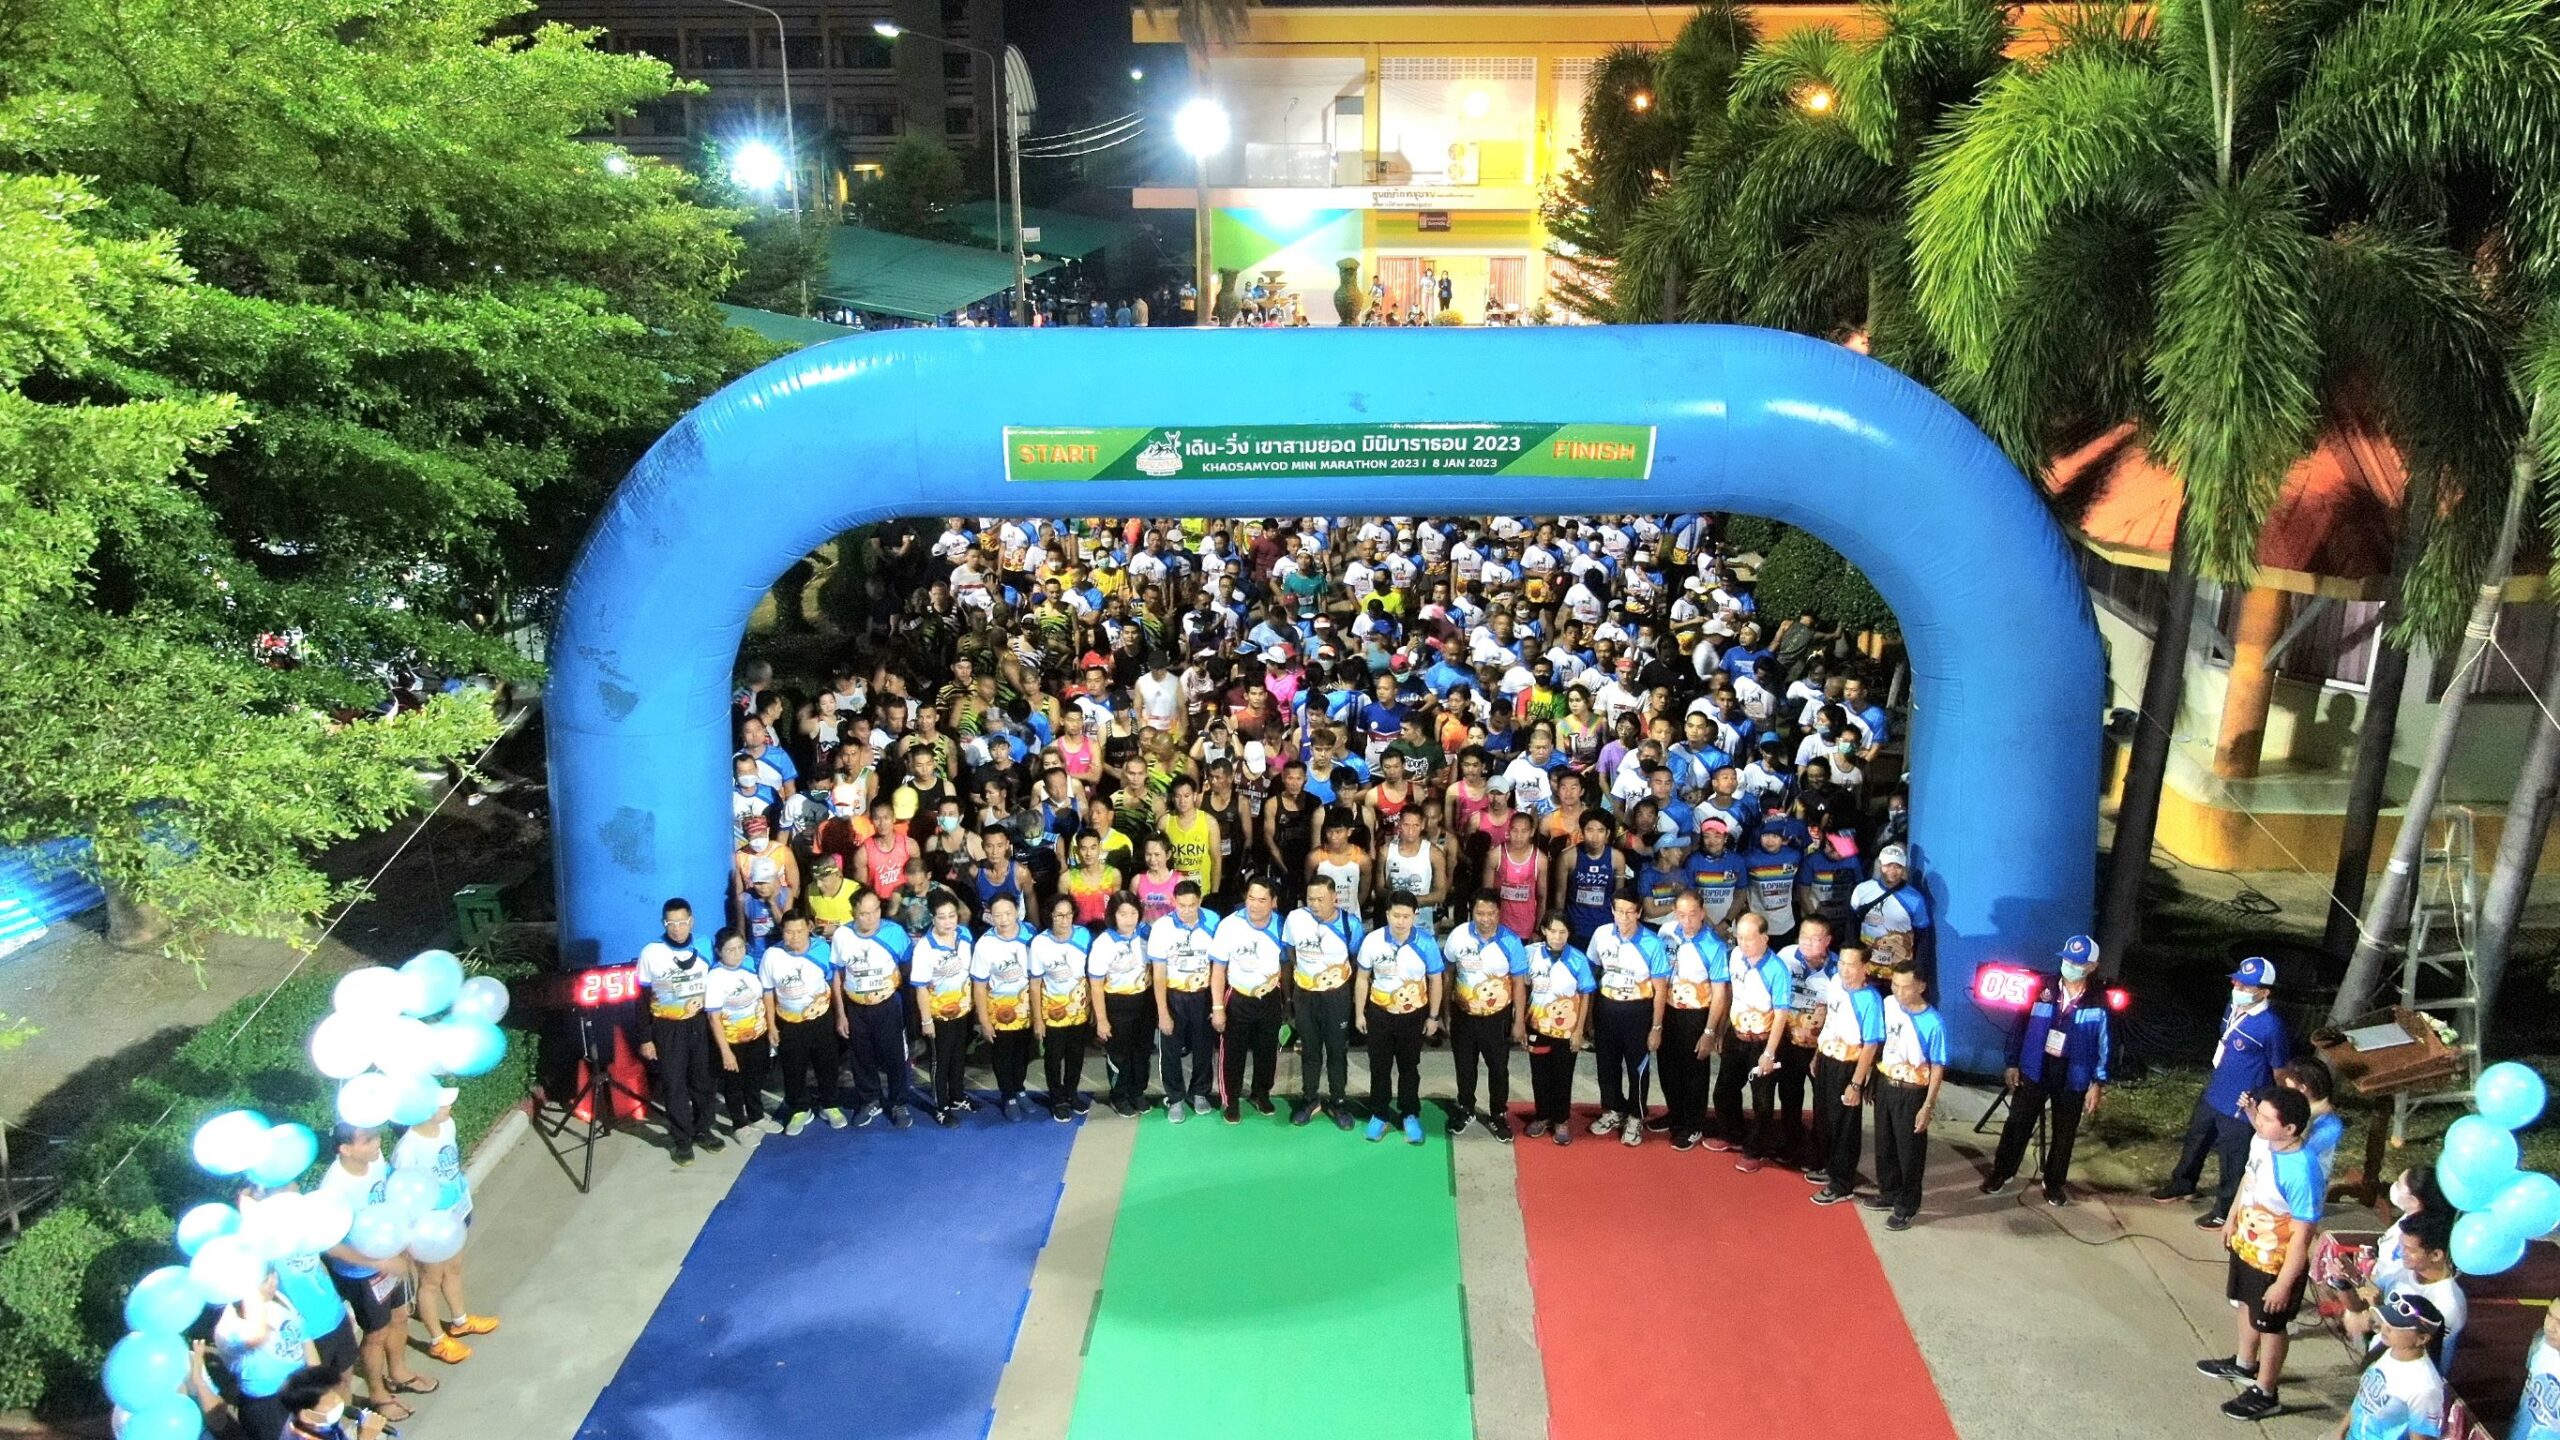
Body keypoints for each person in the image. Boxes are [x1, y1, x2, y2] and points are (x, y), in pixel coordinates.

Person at [2196, 1086, 2323, 1422]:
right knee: (2244, 1304)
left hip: (2275, 1262)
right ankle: (2244, 1364)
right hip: (2247, 1246)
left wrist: (2283, 1284)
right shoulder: (2263, 1142)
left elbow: (2302, 1237)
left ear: (2290, 1128)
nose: (2257, 1121)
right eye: (2258, 1115)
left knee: (2270, 1326)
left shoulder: (2302, 1171)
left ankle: (2266, 1392)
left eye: (2266, 1118)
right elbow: (2248, 1179)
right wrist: (2231, 1218)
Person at [2155, 956, 2290, 1228]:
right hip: (2216, 1090)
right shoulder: (2233, 1006)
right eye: (2237, 982)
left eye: (2246, 985)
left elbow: (2280, 1070)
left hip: (2242, 1103)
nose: (2238, 988)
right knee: (2196, 1139)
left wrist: (2270, 1105)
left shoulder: (2272, 1027)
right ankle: (2183, 1183)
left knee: (2232, 1158)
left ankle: (2224, 1209)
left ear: (2264, 992)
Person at [1984, 934, 2112, 1206]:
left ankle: (2053, 1183)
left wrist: (2098, 1082)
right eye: (2067, 960)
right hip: (2035, 1066)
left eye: (2077, 963)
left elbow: (2106, 1044)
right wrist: (2012, 1062)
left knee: (2064, 1133)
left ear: (2092, 966)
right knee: (2017, 1123)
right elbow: (2019, 1026)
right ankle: (2002, 1172)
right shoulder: (2042, 988)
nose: (2069, 966)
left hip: (2074, 1073)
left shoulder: (2099, 1001)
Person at [312, 1125, 431, 1417]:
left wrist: (401, 1240)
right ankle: (378, 1395)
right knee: (376, 1333)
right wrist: (378, 1263)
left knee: (400, 1315)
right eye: (368, 1140)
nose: (377, 1143)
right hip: (361, 1273)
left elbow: (391, 1197)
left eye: (376, 1136)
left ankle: (399, 1372)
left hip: (390, 1255)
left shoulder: (375, 1160)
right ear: (345, 1149)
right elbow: (330, 1246)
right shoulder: (334, 1190)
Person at [391, 1092, 497, 1361]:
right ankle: (437, 1340)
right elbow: (400, 1194)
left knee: (454, 1269)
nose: (449, 1105)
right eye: (442, 1103)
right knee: (430, 1282)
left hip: (457, 1212)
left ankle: (460, 1321)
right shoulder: (407, 1150)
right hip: (429, 1226)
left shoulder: (448, 1125)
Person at [634, 897, 723, 1167]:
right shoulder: (651, 952)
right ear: (663, 923)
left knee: (704, 1080)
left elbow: (719, 983)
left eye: (682, 922)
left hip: (700, 1023)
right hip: (667, 1027)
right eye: (670, 923)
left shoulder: (705, 945)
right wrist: (646, 1038)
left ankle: (703, 1130)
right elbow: (641, 999)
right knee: (674, 1084)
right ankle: (682, 1140)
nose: (677, 929)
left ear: (691, 921)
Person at [1355, 890, 1444, 1144]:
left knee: (1409, 1067)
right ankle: (1379, 1114)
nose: (1401, 921)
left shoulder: (1426, 943)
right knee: (1379, 1067)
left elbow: (1436, 980)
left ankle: (1410, 1114)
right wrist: (1360, 1013)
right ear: (1387, 914)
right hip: (1379, 1015)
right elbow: (1362, 978)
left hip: (1413, 1016)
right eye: (1396, 915)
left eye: (1406, 916)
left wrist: (1433, 1016)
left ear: (1415, 916)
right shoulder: (1372, 941)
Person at [1584, 892, 1670, 1146]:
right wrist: (1588, 1016)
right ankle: (1613, 1109)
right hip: (1606, 1009)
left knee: (1637, 1067)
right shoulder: (1601, 934)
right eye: (1619, 911)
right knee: (1606, 1064)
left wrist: (1656, 1027)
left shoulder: (1652, 943)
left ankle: (1635, 1115)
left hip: (1638, 1012)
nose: (1624, 917)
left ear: (1639, 913)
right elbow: (1590, 973)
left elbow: (1661, 989)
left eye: (1630, 912)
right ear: (1612, 910)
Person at [1441, 890, 1528, 1141]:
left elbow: (1519, 983)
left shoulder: (1511, 941)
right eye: (1480, 913)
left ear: (1499, 913)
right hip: (1464, 1016)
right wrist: (1446, 1011)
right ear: (1471, 912)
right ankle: (1466, 1107)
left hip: (1497, 1018)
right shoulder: (1458, 936)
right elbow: (1448, 974)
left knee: (1498, 1068)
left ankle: (1498, 1113)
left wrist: (1519, 1020)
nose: (1486, 919)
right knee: (1464, 1066)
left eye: (1491, 914)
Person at [1282, 873, 1364, 1128]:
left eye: (1320, 899)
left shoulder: (1350, 924)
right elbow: (1290, 953)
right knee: (1310, 1050)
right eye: (1310, 899)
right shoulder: (1295, 919)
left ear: (1335, 898)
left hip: (1337, 997)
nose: (1314, 904)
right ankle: (1310, 1100)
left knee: (1337, 1052)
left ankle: (1338, 1102)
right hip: (1305, 995)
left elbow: (1355, 960)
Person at [1866, 968, 1945, 1232]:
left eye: (1905, 986)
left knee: (1909, 1153)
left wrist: (1927, 1106)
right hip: (1886, 1085)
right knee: (1884, 1145)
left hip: (1912, 1093)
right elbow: (1883, 1042)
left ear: (1921, 986)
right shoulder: (1889, 1004)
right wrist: (1873, 1078)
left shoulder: (1933, 1022)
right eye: (1895, 985)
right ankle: (1889, 1193)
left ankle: (1907, 1206)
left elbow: (1937, 1066)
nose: (1898, 992)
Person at [1711, 914, 1792, 1168]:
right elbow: (1731, 994)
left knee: (1762, 1101)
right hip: (1737, 1035)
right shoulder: (1735, 955)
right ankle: (1732, 1135)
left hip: (1763, 1041)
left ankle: (1756, 1149)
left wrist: (1769, 1053)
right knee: (1724, 1090)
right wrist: (1721, 1029)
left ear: (1765, 938)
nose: (1743, 943)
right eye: (1740, 937)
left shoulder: (1777, 969)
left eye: (1749, 938)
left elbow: (1781, 1014)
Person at [1808, 946, 1886, 1205]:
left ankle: (1842, 1184)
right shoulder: (1835, 983)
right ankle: (1830, 1166)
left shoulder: (1870, 1000)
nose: (1844, 969)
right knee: (1825, 1117)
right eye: (1841, 963)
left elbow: (1871, 1044)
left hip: (1849, 1066)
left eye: (1851, 965)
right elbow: (1830, 1020)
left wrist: (1856, 1083)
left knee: (1845, 1126)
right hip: (1827, 1059)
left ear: (1865, 967)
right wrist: (1817, 1054)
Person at [833, 888, 916, 1128]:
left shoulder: (895, 933)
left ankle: (899, 1102)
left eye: (875, 911)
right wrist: (840, 1014)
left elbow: (907, 966)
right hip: (856, 1008)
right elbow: (837, 975)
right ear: (853, 913)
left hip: (888, 1006)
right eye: (864, 914)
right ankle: (870, 1100)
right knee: (861, 1057)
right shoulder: (842, 935)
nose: (871, 918)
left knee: (895, 1056)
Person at [1210, 877, 1290, 1122]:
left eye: (1261, 900)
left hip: (1270, 998)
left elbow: (1286, 965)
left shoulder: (1282, 926)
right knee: (1233, 1054)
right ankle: (1231, 1100)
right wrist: (1218, 1008)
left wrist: (1287, 1000)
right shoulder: (1228, 925)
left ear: (1273, 902)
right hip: (1238, 998)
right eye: (1250, 898)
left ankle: (1261, 1094)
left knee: (1267, 1052)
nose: (1254, 905)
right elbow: (1218, 969)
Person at [1656, 890, 1729, 1150]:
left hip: (1696, 1015)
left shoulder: (1714, 945)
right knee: (1667, 1067)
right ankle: (1675, 1114)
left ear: (1702, 913)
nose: (1687, 921)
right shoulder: (1666, 932)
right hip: (1668, 1009)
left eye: (1692, 915)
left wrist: (1710, 1031)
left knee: (1693, 1072)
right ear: (1674, 913)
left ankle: (1693, 1124)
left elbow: (1720, 993)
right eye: (1681, 914)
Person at [762, 912, 846, 1134]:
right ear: (782, 932)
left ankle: (830, 1104)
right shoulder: (772, 955)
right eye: (789, 932)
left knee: (827, 1064)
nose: (795, 937)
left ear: (809, 928)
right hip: (789, 1022)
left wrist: (840, 1015)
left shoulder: (822, 950)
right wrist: (771, 1025)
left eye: (799, 931)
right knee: (793, 1067)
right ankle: (800, 1109)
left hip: (822, 1018)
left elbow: (834, 983)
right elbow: (768, 992)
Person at [1148, 879, 1222, 1120]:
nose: (1187, 911)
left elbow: (1219, 965)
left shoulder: (1213, 921)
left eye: (1192, 905)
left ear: (1199, 901)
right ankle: (1175, 1098)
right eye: (1182, 905)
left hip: (1203, 994)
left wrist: (1217, 1004)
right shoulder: (1162, 927)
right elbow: (1158, 973)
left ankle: (1199, 1092)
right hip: (1174, 995)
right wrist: (1162, 1012)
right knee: (1170, 1049)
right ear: (1174, 902)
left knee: (1203, 1047)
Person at [2334, 1291, 2448, 1440]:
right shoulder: (2386, 1351)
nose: (2386, 1327)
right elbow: (2364, 1398)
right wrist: (2341, 1430)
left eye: (2397, 1326)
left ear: (2422, 1338)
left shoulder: (2424, 1387)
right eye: (2387, 1320)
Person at [1521, 912, 1594, 1144]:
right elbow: (1521, 986)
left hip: (1566, 1031)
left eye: (1563, 932)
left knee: (1563, 1075)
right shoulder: (1529, 954)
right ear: (1544, 930)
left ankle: (1561, 1120)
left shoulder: (1578, 959)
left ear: (1569, 933)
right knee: (1539, 1074)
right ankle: (1542, 1116)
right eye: (1553, 931)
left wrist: (1579, 1031)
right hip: (1537, 1028)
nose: (1558, 937)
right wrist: (1520, 1023)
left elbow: (1586, 994)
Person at [702, 927, 779, 1139]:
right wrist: (725, 1052)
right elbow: (713, 1017)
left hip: (756, 1036)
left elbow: (763, 996)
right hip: (732, 1040)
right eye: (730, 950)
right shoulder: (715, 977)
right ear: (719, 952)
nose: (737, 954)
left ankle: (756, 1116)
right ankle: (739, 1125)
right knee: (734, 1084)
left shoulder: (751, 965)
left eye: (740, 948)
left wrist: (769, 1027)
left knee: (754, 1079)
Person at [909, 890, 978, 1125]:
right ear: (932, 917)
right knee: (941, 1060)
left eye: (952, 916)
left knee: (959, 1056)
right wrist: (926, 1020)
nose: (948, 922)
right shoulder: (924, 948)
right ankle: (941, 1106)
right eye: (942, 917)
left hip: (963, 1009)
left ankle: (957, 1096)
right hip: (939, 1015)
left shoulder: (964, 935)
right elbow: (920, 988)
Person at [971, 893, 1040, 1119]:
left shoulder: (1031, 934)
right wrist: (984, 1021)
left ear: (1017, 911)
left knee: (1023, 1051)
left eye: (1008, 913)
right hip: (999, 1009)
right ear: (990, 915)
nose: (1004, 919)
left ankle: (1019, 1089)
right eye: (998, 915)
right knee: (1003, 1053)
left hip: (1026, 1007)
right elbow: (979, 985)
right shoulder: (985, 944)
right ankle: (1008, 1095)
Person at [1087, 893, 1156, 1115]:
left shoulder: (1145, 935)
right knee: (1119, 1054)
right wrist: (1102, 1020)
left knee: (1142, 1051)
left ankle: (1138, 1092)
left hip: (1144, 1002)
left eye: (1133, 913)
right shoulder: (1103, 943)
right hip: (1116, 1004)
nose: (1129, 919)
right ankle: (1119, 1095)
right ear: (1112, 915)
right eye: (1123, 914)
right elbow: (1096, 985)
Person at [1031, 896, 1097, 1120]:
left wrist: (1093, 1007)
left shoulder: (1084, 935)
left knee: (1076, 1054)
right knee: (1054, 1056)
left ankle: (1071, 1093)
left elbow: (1091, 974)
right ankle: (1057, 1098)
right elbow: (1035, 983)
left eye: (1068, 914)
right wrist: (1038, 1020)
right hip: (1052, 1011)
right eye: (1059, 915)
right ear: (1050, 915)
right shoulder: (1040, 943)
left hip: (1079, 1009)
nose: (1064, 920)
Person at [276, 1364, 395, 1439]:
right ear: (306, 1415)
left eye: (335, 1396)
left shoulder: (319, 1423)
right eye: (331, 1401)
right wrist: (366, 1437)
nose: (338, 1402)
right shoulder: (301, 1436)